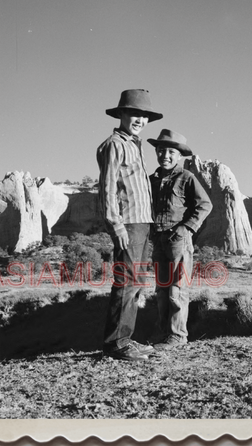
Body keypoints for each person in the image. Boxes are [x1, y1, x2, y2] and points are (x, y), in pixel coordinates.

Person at [97, 89, 162, 361]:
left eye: (144, 115)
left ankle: (125, 339)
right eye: (134, 113)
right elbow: (108, 187)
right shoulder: (115, 144)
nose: (139, 119)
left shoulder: (134, 144)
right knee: (127, 281)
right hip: (129, 223)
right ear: (122, 114)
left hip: (143, 223)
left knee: (135, 282)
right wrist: (116, 225)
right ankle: (117, 344)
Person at [148, 129, 212, 350]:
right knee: (162, 289)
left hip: (178, 240)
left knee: (177, 288)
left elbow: (205, 205)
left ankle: (178, 336)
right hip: (158, 239)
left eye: (171, 152)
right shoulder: (152, 180)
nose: (165, 155)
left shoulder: (187, 177)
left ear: (179, 155)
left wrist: (187, 228)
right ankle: (165, 334)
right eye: (161, 150)